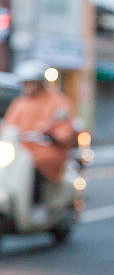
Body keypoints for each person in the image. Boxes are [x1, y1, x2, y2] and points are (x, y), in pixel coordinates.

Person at [3, 60, 74, 203]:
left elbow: (65, 129)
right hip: (19, 151)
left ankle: (38, 203)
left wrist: (53, 136)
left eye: (31, 82)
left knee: (34, 168)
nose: (27, 86)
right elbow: (8, 126)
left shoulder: (57, 102)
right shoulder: (19, 103)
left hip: (46, 151)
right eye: (25, 83)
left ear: (40, 83)